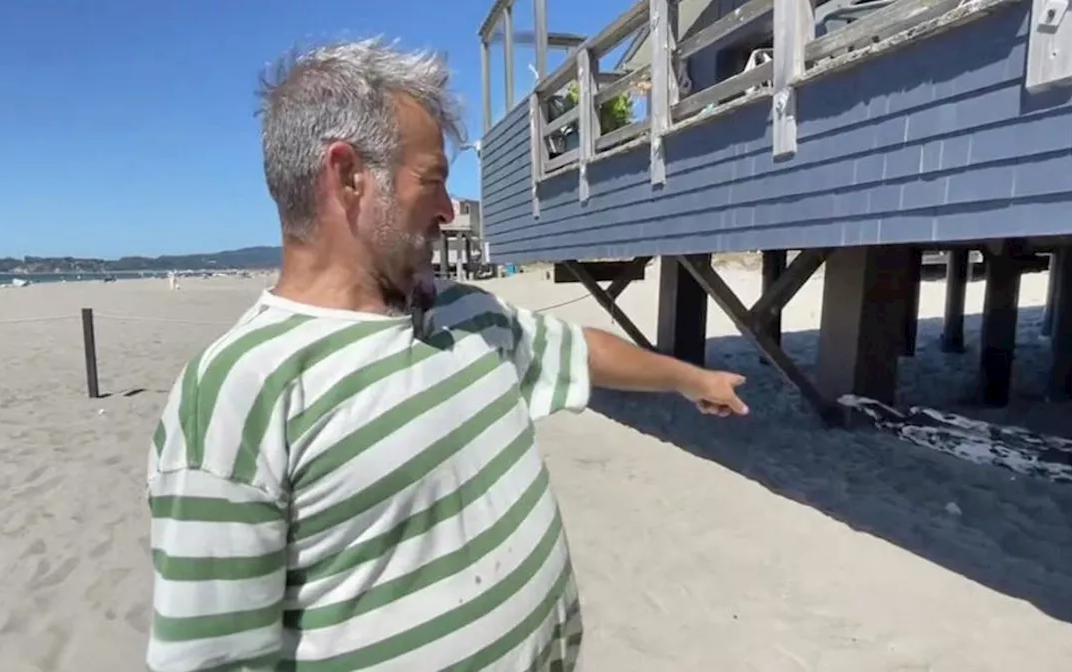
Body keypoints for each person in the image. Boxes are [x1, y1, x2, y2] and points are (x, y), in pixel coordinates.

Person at [145, 38, 749, 672]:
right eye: (432, 180)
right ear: (348, 175)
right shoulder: (236, 394)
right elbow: (211, 658)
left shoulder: (467, 314)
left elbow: (579, 352)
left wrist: (689, 377)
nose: (448, 208)